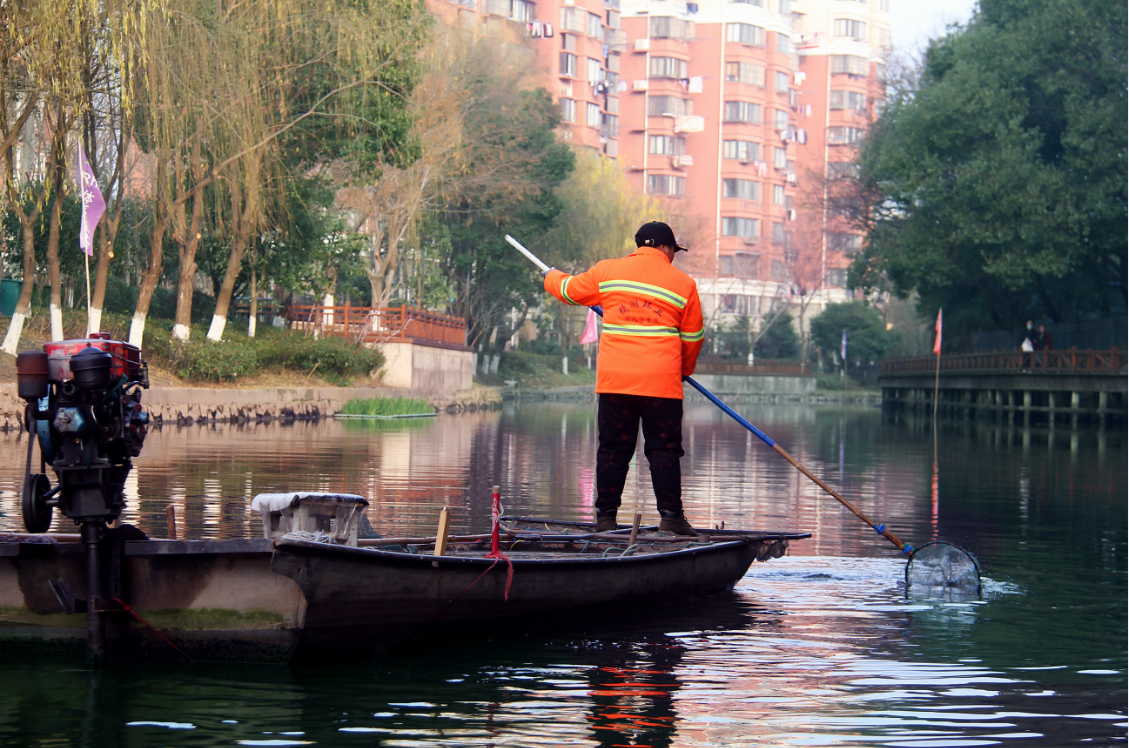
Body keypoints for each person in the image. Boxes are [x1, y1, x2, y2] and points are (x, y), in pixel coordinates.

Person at [542, 221, 704, 536]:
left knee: (613, 450)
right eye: (674, 250)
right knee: (664, 450)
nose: (674, 255)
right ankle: (671, 518)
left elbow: (568, 290)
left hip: (616, 383)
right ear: (665, 248)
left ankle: (605, 520)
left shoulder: (608, 272)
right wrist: (684, 370)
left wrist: (550, 276)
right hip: (661, 384)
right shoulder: (684, 284)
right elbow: (693, 337)